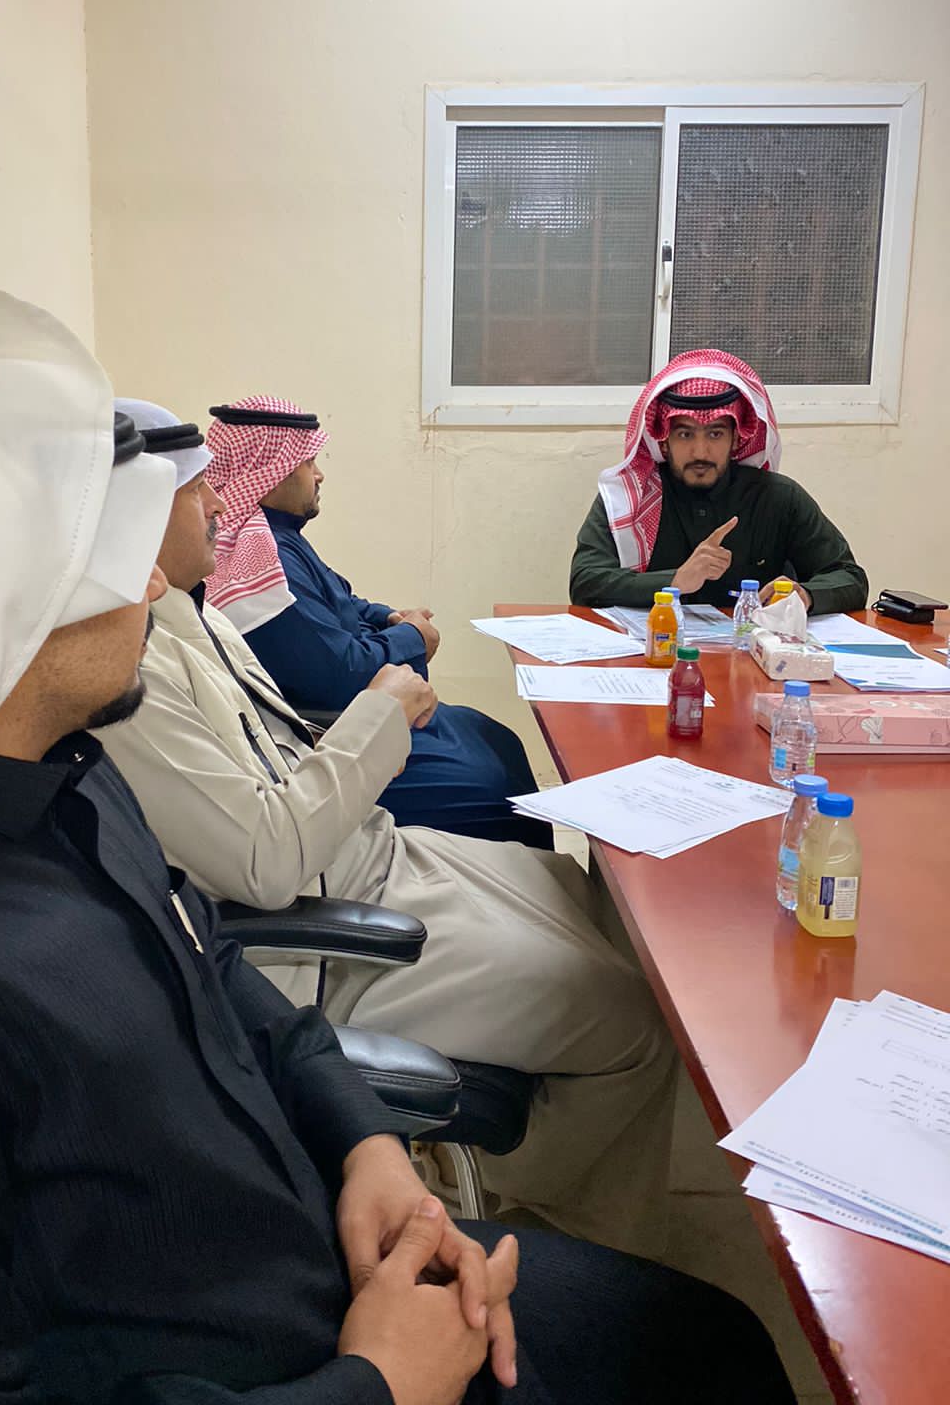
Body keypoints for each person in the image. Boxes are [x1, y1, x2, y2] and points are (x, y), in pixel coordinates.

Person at [0, 296, 798, 1405]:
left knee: (715, 1343)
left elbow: (211, 969)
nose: (154, 584)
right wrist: (378, 1381)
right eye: (107, 556)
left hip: (331, 1234)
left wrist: (362, 1144)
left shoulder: (67, 779)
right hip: (305, 1362)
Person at [104, 401, 678, 1258]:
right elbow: (265, 862)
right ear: (135, 519)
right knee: (633, 1017)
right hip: (320, 947)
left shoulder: (198, 618)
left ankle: (542, 1172)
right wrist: (380, 711)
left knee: (596, 897)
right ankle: (560, 1229)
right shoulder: (132, 677)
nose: (222, 504)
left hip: (370, 855)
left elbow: (288, 752)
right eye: (195, 493)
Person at [200, 396, 554, 850]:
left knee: (497, 738)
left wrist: (389, 617)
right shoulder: (264, 567)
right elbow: (339, 677)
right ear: (273, 471)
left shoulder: (277, 537)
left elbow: (342, 599)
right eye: (308, 463)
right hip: (331, 737)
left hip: (358, 713)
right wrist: (413, 637)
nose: (319, 475)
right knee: (496, 794)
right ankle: (530, 889)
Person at [569, 349, 868, 613]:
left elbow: (849, 578)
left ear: (736, 439)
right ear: (663, 441)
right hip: (655, 649)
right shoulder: (629, 498)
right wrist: (675, 581)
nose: (700, 452)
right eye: (685, 434)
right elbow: (585, 582)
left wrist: (806, 595)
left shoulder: (777, 497)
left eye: (715, 434)